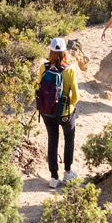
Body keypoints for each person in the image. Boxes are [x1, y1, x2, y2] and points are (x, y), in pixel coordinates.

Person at [35, 37, 80, 189]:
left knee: (52, 140)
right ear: (64, 52)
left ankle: (54, 177)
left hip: (47, 112)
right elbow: (75, 96)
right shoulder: (69, 70)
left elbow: (38, 87)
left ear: (51, 52)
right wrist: (69, 105)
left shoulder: (44, 67)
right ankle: (68, 171)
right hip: (65, 112)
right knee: (69, 138)